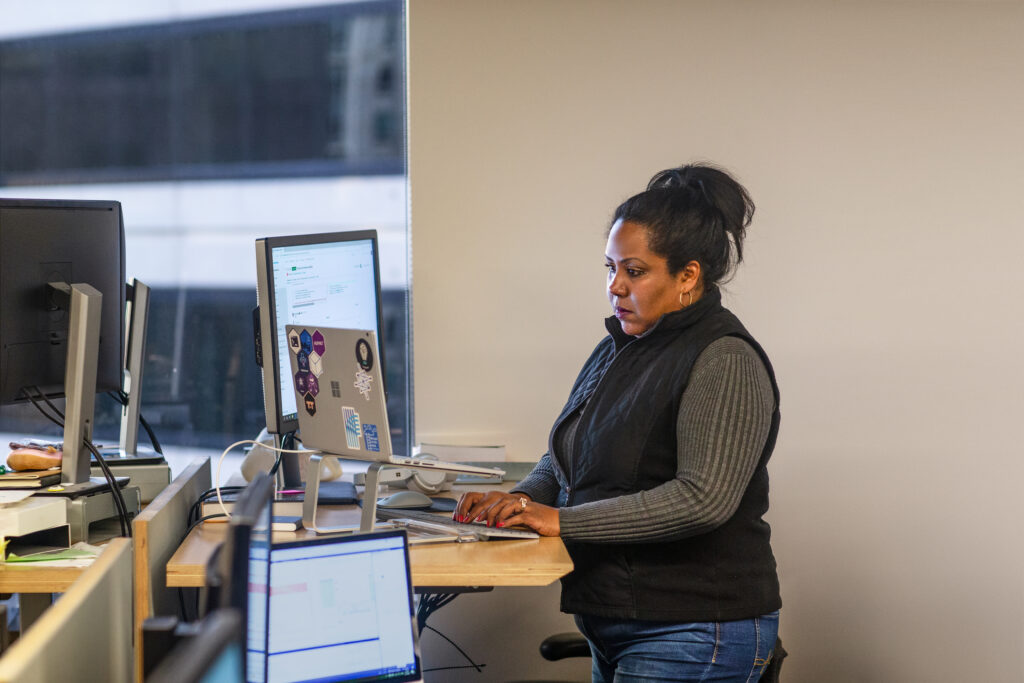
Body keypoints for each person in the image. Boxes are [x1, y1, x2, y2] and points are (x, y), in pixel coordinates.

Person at [455, 163, 781, 682]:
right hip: (619, 622)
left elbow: (702, 499)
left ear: (688, 276)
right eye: (610, 268)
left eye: (635, 271)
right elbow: (564, 458)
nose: (615, 287)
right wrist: (518, 502)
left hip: (694, 628)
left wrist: (559, 520)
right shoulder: (617, 348)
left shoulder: (724, 359)